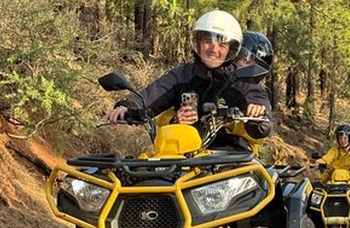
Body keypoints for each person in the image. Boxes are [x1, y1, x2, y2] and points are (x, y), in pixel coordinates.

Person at [105, 10, 272, 150]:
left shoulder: (244, 81)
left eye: (222, 45)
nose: (213, 50)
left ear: (232, 50)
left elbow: (263, 127)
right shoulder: (183, 75)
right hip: (184, 156)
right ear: (198, 43)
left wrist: (256, 116)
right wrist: (128, 107)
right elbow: (152, 96)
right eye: (208, 42)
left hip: (230, 158)